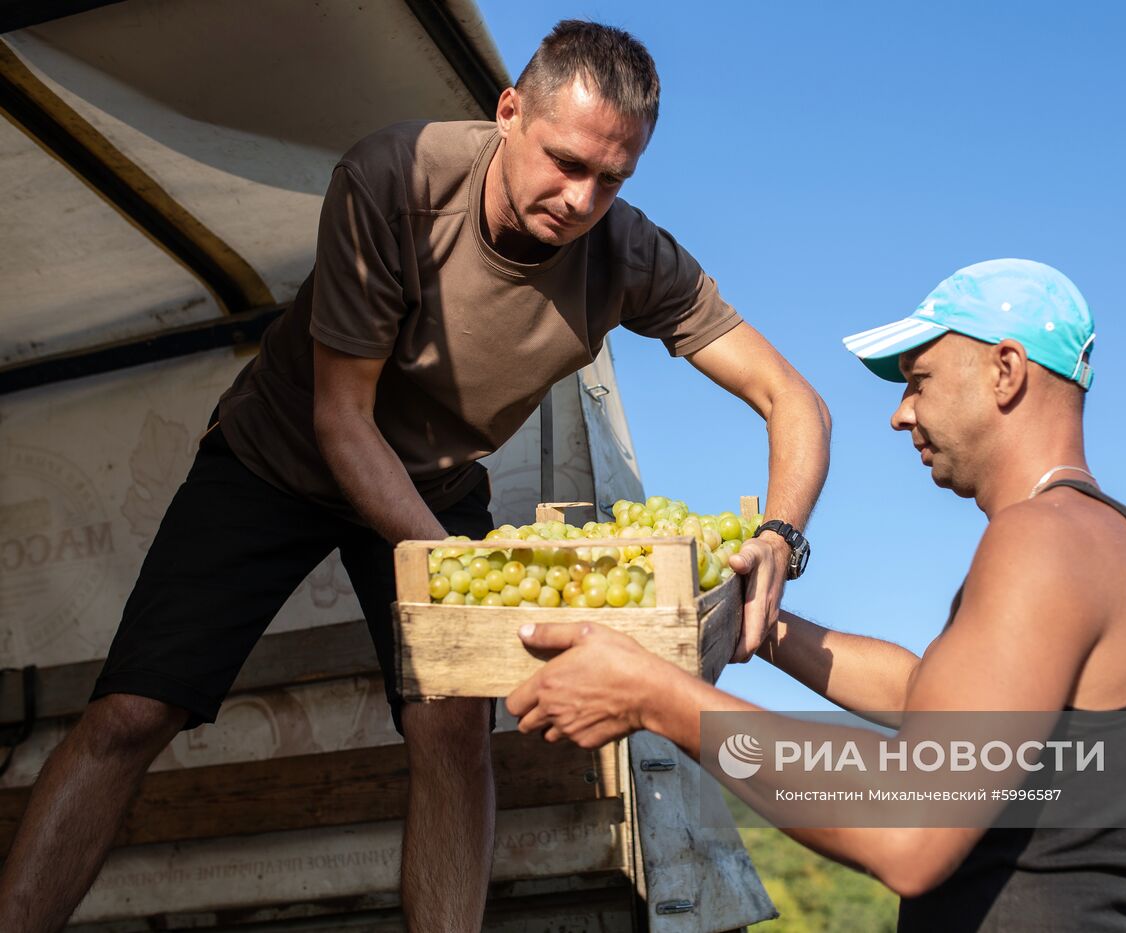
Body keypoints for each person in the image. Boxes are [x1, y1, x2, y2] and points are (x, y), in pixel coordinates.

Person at [0, 21, 831, 933]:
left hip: (434, 480)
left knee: (450, 725)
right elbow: (341, 423)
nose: (582, 198)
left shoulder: (629, 254)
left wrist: (780, 536)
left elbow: (795, 401)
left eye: (612, 179)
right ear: (509, 111)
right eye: (564, 162)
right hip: (278, 455)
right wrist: (465, 590)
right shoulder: (392, 179)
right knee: (132, 710)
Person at [505, 258, 1126, 931]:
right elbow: (930, 698)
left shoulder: (1045, 541)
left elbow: (913, 828)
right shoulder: (1103, 537)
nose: (899, 413)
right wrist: (762, 623)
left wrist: (654, 696)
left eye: (918, 381)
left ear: (1005, 371)